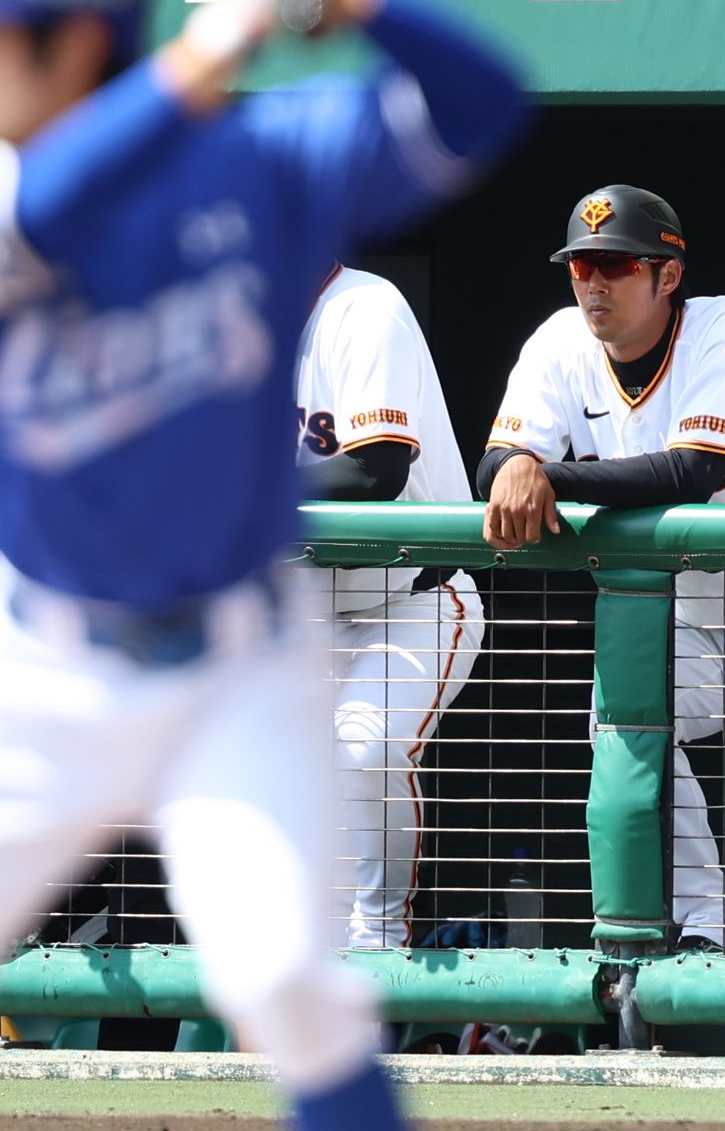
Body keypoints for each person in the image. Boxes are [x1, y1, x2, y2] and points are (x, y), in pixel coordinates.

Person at [0, 0, 524, 1131]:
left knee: (292, 988)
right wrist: (227, 32)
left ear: (75, 41)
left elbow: (482, 107)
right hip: (27, 667)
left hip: (236, 663)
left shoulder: (244, 165)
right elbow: (55, 205)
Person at [479, 185, 725, 1059]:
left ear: (668, 273)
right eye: (581, 265)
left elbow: (693, 469)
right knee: (625, 755)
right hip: (685, 615)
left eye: (615, 265)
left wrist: (551, 475)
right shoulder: (559, 340)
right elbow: (496, 459)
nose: (593, 283)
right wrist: (518, 463)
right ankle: (715, 922)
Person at [297, 264, 483, 949]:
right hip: (303, 610)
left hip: (413, 597)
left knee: (367, 746)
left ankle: (382, 938)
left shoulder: (363, 308)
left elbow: (376, 467)